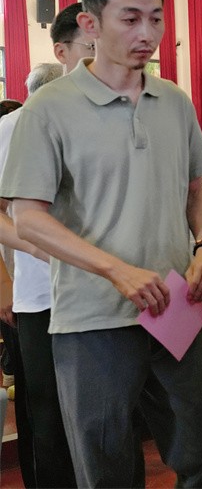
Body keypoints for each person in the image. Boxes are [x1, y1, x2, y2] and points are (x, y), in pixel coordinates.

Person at [0, 0, 202, 486]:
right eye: (130, 18)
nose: (148, 33)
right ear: (91, 23)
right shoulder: (49, 108)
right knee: (107, 467)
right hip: (92, 318)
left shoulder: (174, 101)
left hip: (175, 305)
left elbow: (197, 190)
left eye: (156, 18)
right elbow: (27, 217)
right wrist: (116, 270)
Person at [0, 63, 74, 487]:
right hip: (37, 293)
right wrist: (36, 252)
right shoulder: (13, 127)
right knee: (45, 407)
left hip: (96, 289)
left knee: (94, 409)